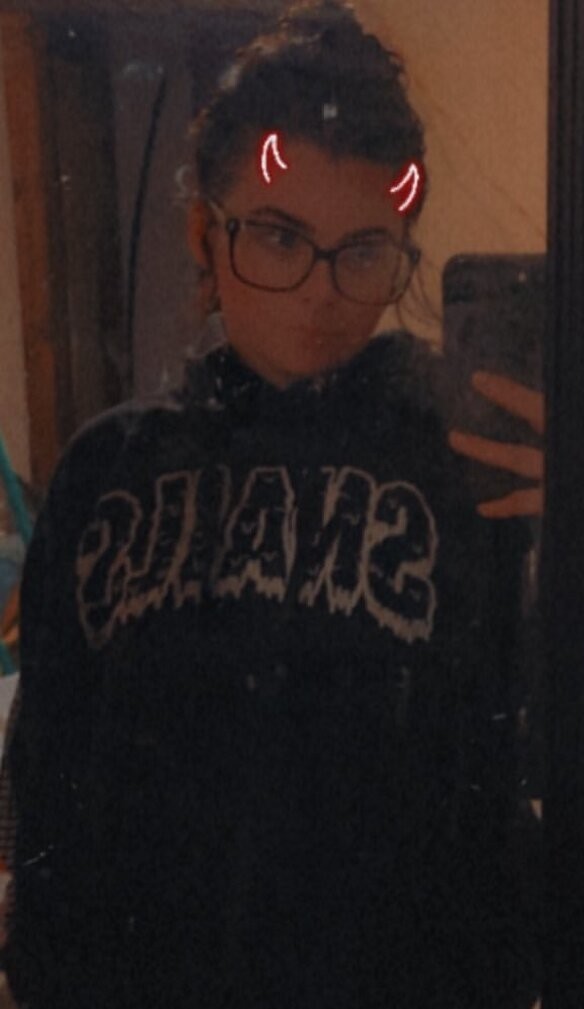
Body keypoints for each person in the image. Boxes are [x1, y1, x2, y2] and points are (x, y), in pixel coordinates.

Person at [3, 2, 543, 1006]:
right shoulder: (104, 472)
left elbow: (525, 771)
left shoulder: (468, 462)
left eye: (365, 249)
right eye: (280, 237)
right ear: (205, 237)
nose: (319, 292)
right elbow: (47, 792)